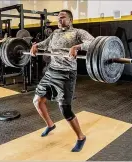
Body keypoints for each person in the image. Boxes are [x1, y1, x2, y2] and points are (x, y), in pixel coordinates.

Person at [30, 9, 94, 152]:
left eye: (63, 18)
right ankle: (50, 125)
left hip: (66, 74)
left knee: (65, 109)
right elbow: (45, 43)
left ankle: (81, 137)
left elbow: (93, 42)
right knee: (37, 101)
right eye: (58, 18)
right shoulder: (55, 33)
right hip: (51, 71)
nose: (60, 20)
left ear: (70, 20)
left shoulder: (77, 32)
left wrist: (77, 46)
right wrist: (36, 46)